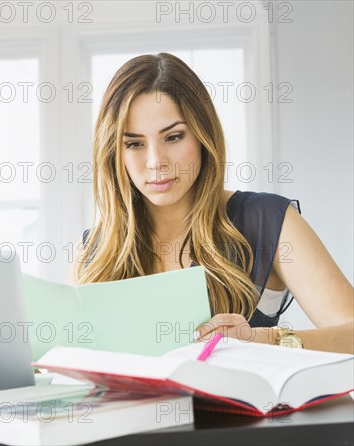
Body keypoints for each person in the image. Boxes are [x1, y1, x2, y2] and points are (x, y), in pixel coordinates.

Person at [72, 53, 353, 354]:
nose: (156, 162)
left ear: (203, 136)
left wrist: (264, 339)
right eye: (135, 143)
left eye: (174, 137)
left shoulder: (267, 220)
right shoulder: (96, 250)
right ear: (114, 152)